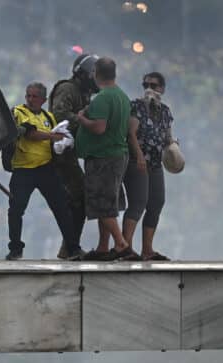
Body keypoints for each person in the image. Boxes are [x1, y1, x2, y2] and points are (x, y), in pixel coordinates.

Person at [5, 82, 85, 261]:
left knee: (62, 208)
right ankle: (15, 248)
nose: (31, 100)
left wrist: (62, 142)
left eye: (35, 97)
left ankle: (73, 248)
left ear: (43, 100)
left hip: (46, 168)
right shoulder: (18, 112)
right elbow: (30, 134)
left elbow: (59, 135)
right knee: (16, 210)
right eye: (28, 96)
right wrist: (52, 136)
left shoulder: (49, 116)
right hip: (23, 169)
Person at [75, 57, 140, 261]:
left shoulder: (103, 98)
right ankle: (103, 247)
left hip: (104, 156)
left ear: (95, 73)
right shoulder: (121, 95)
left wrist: (81, 118)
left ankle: (121, 244)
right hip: (117, 155)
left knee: (102, 203)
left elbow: (99, 127)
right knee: (108, 202)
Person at [49, 53, 99, 259]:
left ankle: (69, 246)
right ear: (84, 74)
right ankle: (70, 247)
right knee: (78, 197)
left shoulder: (83, 93)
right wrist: (83, 118)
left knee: (79, 199)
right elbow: (59, 115)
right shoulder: (67, 89)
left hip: (69, 154)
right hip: (59, 154)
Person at [122, 72, 174, 261]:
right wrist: (139, 156)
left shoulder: (165, 111)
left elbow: (167, 137)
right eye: (146, 85)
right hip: (138, 162)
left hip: (155, 163)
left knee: (156, 203)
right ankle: (125, 247)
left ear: (162, 89)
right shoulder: (137, 106)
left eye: (153, 85)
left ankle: (147, 250)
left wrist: (173, 148)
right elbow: (131, 133)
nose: (149, 88)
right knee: (138, 203)